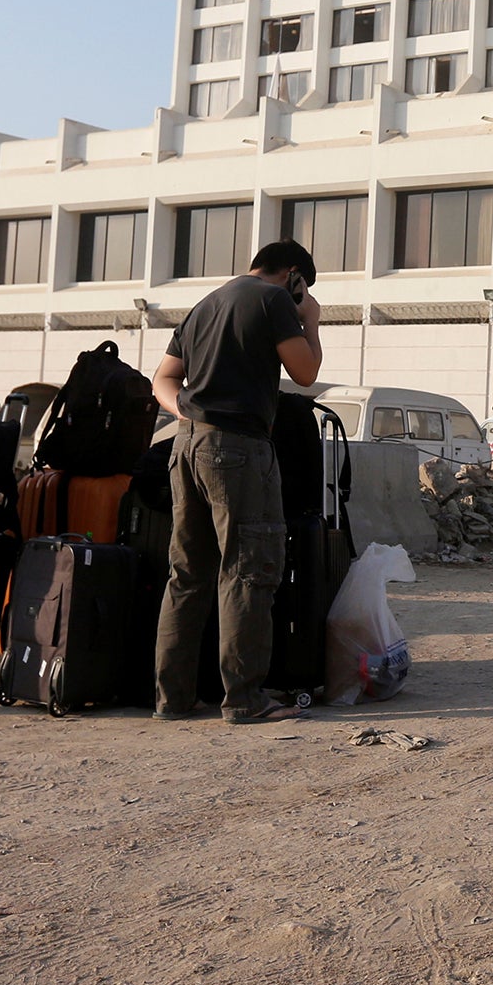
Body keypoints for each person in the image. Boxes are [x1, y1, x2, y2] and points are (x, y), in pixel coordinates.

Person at [149, 239, 323, 723]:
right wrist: (310, 319)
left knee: (187, 575)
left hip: (186, 445)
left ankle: (173, 699)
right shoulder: (272, 301)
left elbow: (162, 379)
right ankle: (244, 698)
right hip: (239, 450)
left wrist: (185, 410)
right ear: (294, 276)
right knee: (248, 570)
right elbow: (305, 373)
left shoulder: (206, 304)